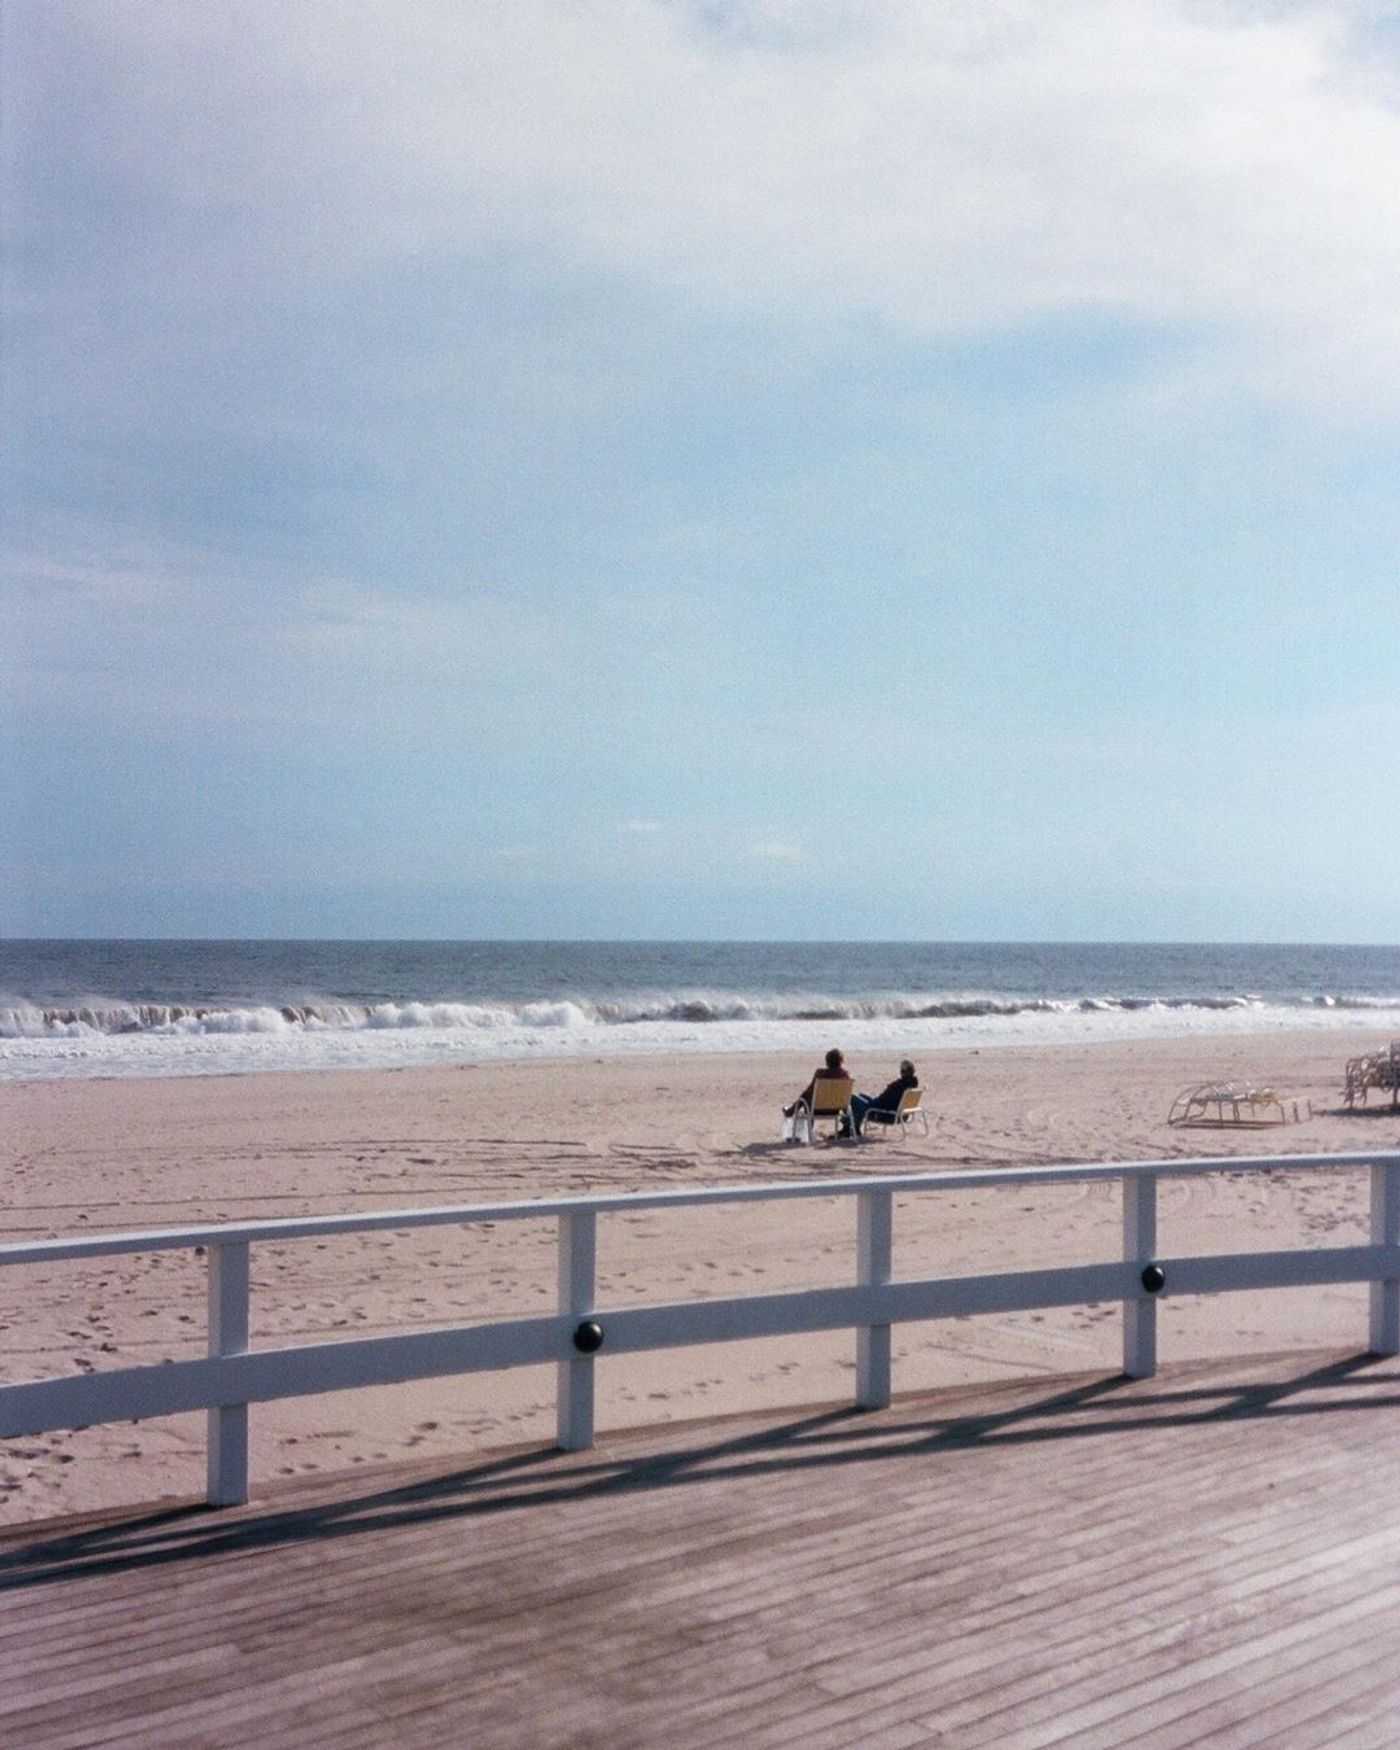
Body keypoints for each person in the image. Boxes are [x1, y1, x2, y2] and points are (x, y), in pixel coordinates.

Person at [849, 1059, 918, 1137]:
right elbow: (888, 1100)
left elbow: (885, 1101)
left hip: (883, 1114)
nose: (901, 1072)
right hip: (902, 1115)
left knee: (852, 1097)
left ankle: (851, 1128)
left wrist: (875, 1102)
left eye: (902, 1070)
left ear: (904, 1072)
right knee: (861, 1095)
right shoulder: (911, 1085)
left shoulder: (898, 1086)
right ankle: (855, 1128)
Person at [783, 1047, 851, 1121]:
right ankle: (791, 1110)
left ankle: (792, 1111)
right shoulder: (845, 1075)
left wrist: (800, 1100)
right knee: (807, 1097)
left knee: (805, 1097)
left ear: (827, 1062)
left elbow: (810, 1091)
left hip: (817, 1110)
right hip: (835, 1110)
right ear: (841, 1061)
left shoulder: (821, 1073)